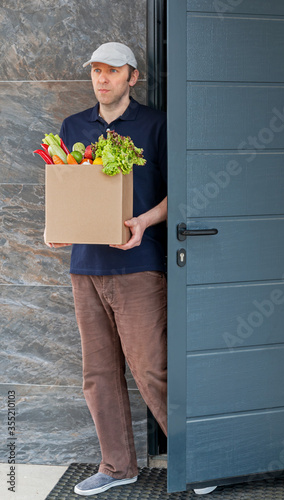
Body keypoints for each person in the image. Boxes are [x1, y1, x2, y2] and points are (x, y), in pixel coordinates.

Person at [45, 41, 216, 497]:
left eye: (112, 71)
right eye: (96, 71)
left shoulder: (155, 125)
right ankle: (117, 466)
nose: (102, 79)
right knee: (98, 374)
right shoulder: (73, 126)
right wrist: (56, 229)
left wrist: (143, 221)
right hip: (85, 267)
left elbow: (180, 193)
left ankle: (198, 460)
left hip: (139, 266)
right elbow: (65, 188)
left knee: (151, 369)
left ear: (132, 77)